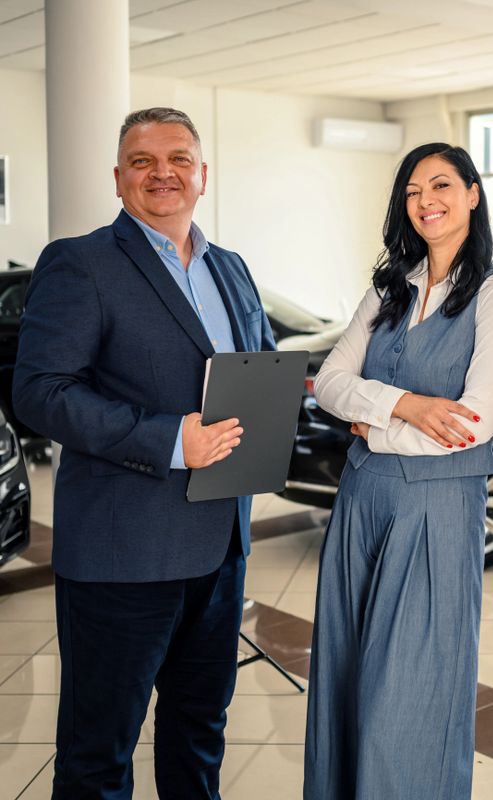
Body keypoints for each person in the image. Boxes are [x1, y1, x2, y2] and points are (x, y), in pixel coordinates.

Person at [13, 107, 276, 799]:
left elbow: (258, 371)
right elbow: (40, 393)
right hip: (121, 552)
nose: (163, 173)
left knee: (199, 733)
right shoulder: (81, 262)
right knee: (99, 754)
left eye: (179, 159)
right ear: (118, 177)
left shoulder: (231, 268)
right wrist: (168, 439)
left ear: (203, 174)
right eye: (143, 160)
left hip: (220, 547)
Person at [303, 142, 493, 799]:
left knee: (409, 689)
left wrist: (374, 425)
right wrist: (407, 406)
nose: (426, 201)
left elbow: (473, 424)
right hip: (361, 503)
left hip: (436, 510)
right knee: (345, 679)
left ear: (472, 194)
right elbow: (329, 384)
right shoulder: (388, 289)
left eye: (441, 185)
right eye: (412, 191)